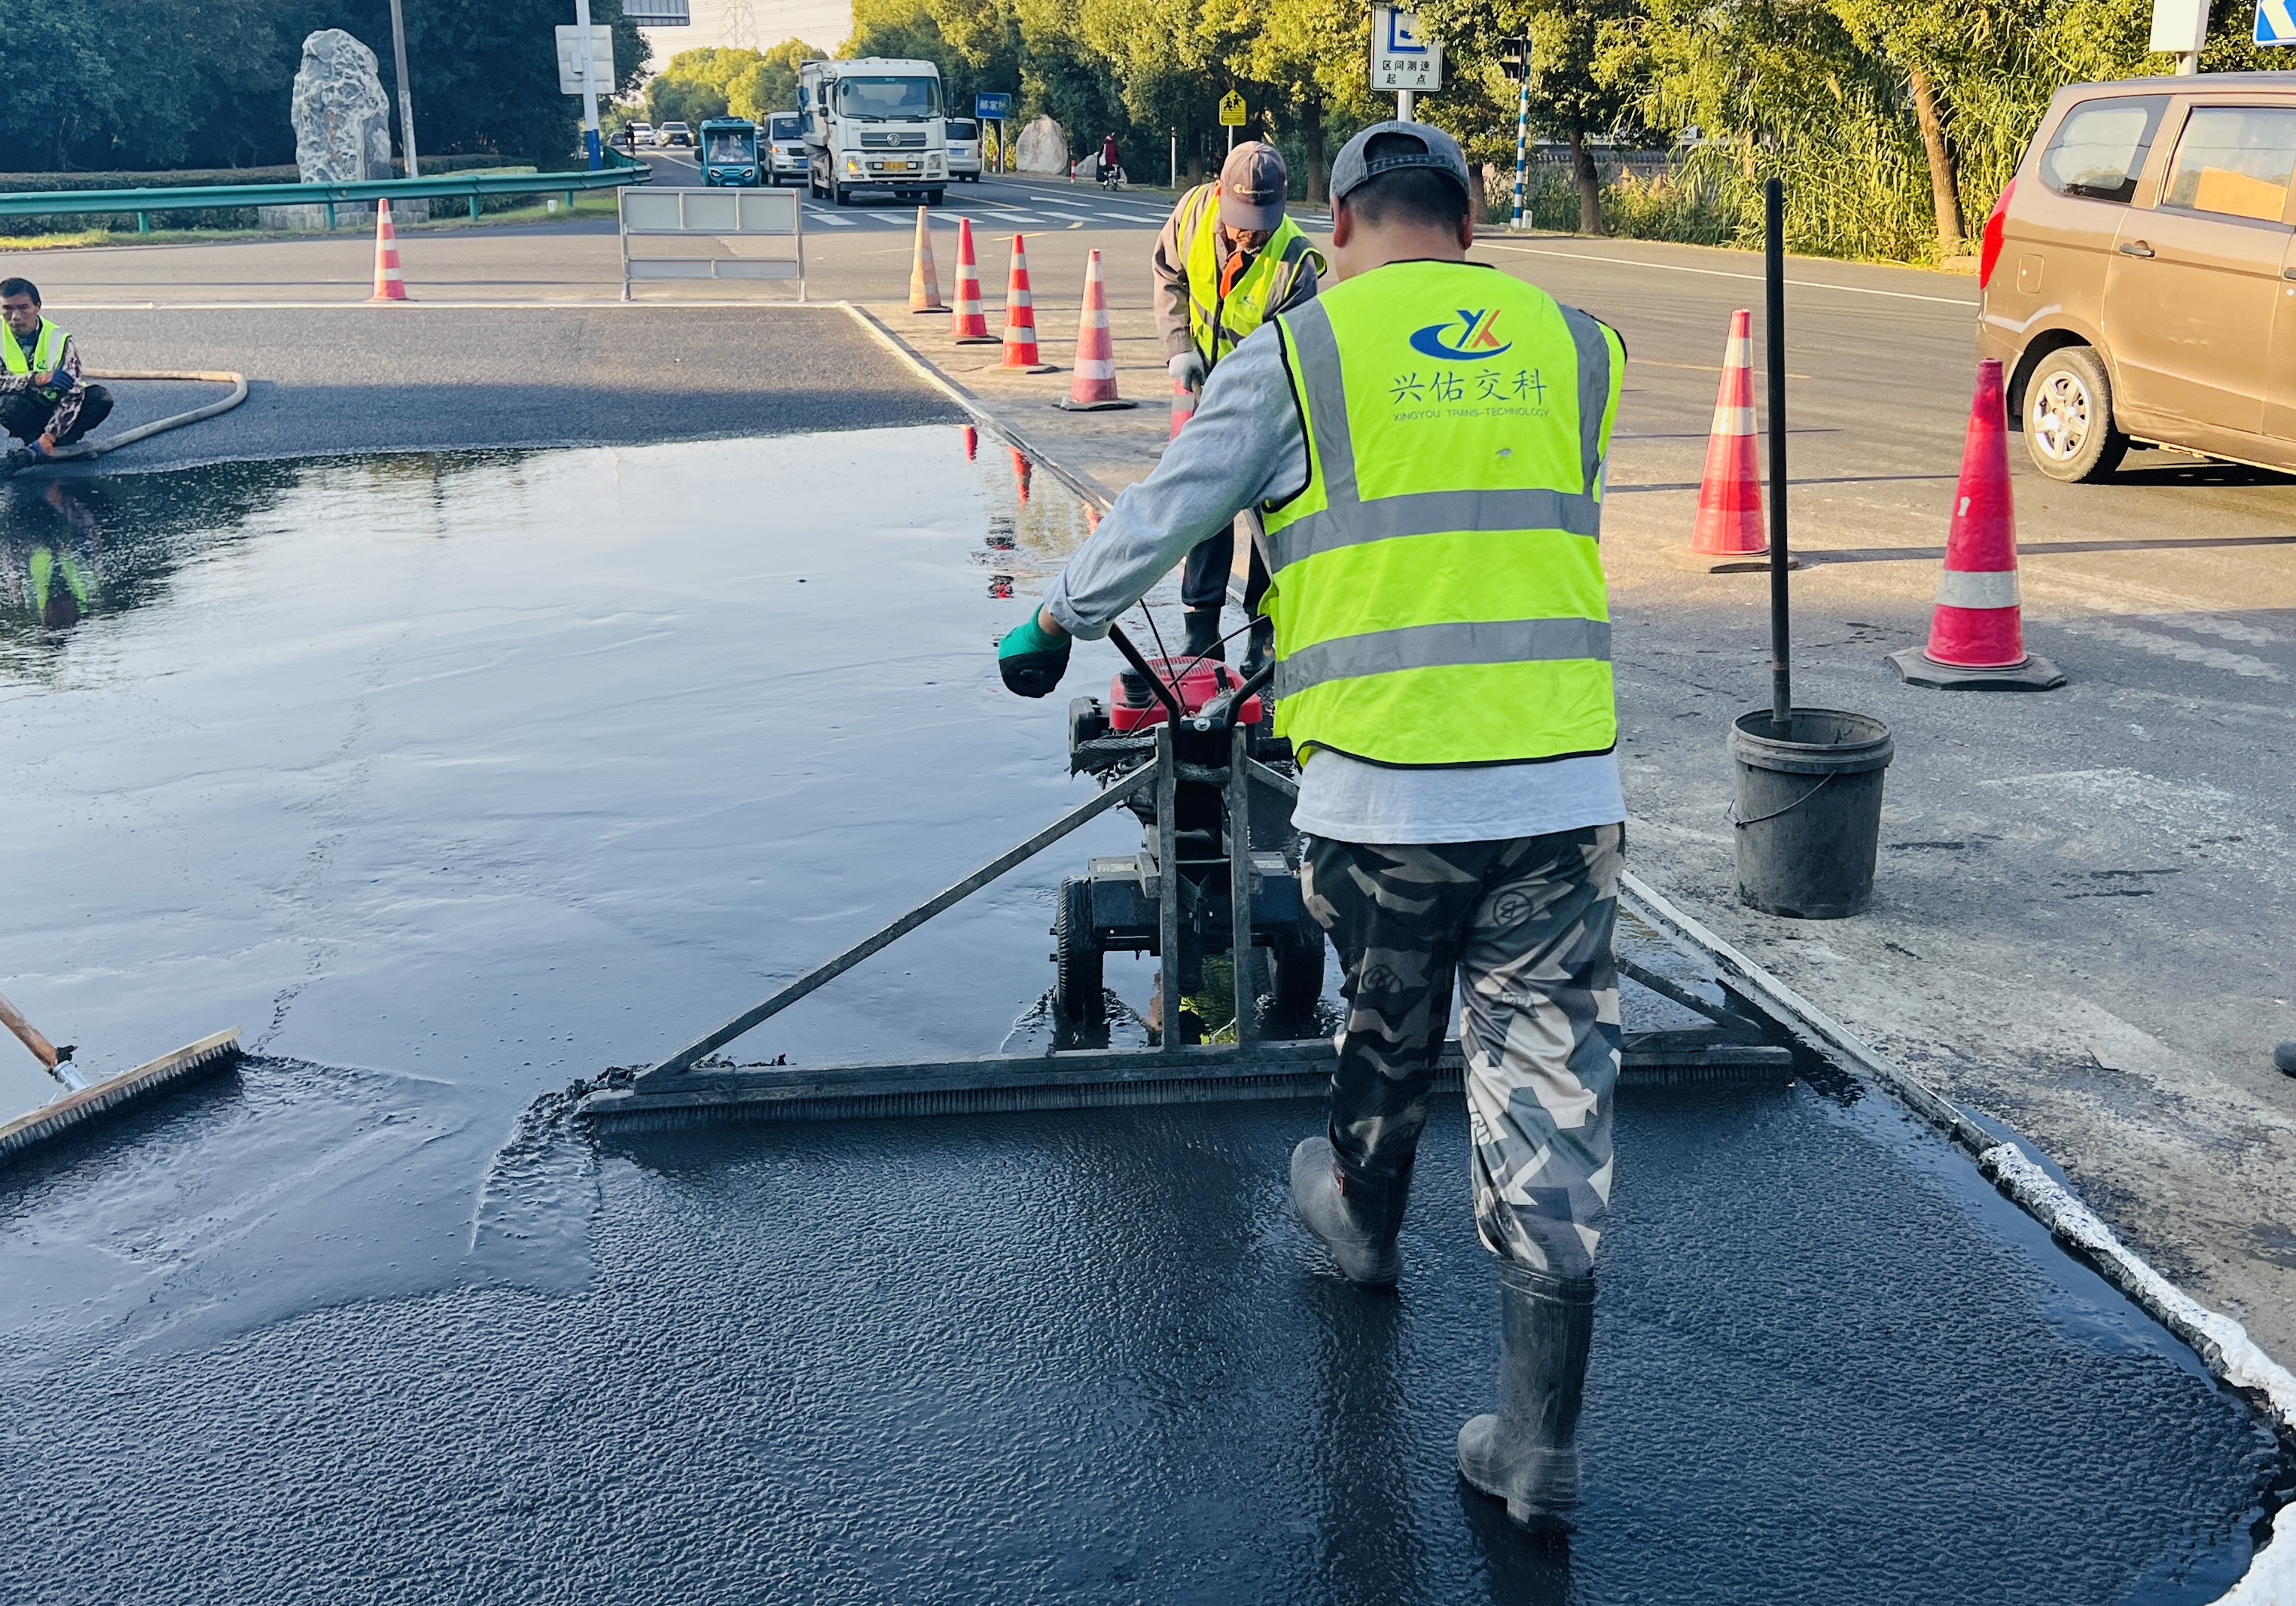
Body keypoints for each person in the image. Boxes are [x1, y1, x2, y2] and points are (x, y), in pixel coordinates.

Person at [996, 120, 1627, 1534]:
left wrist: (1054, 618)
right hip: (1561, 798)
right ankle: (1537, 1443)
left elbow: (1172, 503)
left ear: (1332, 227)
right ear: (1469, 222)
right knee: (1551, 1084)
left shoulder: (1302, 351)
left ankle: (1360, 1218)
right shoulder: (1582, 348)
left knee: (1389, 1018)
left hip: (1385, 795)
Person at [1151, 141, 1323, 663]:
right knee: (1207, 507)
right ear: (1220, 193)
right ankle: (1200, 632)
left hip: (1267, 402)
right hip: (1208, 389)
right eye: (1243, 220)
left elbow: (1293, 354)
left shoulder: (1295, 262)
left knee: (1272, 517)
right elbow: (1169, 274)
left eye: (1261, 224)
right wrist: (1178, 347)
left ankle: (1262, 635)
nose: (1251, 234)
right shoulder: (1193, 213)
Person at [0, 279, 112, 477]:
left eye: (23, 308)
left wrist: (51, 435)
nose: (15, 317)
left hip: (59, 408)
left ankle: (61, 445)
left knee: (101, 398)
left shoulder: (59, 340)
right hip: (26, 408)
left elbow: (74, 393)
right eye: (7, 309)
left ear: (38, 307)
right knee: (7, 405)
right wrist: (33, 380)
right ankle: (33, 442)